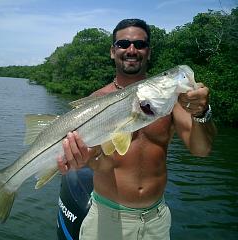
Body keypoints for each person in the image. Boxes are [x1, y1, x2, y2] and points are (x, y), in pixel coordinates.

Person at [57, 18, 217, 240]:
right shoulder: (94, 103)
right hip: (107, 219)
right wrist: (83, 160)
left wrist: (202, 113)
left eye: (140, 45)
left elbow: (201, 150)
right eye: (123, 44)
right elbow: (101, 164)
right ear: (113, 51)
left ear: (148, 52)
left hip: (156, 220)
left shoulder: (171, 101)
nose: (131, 50)